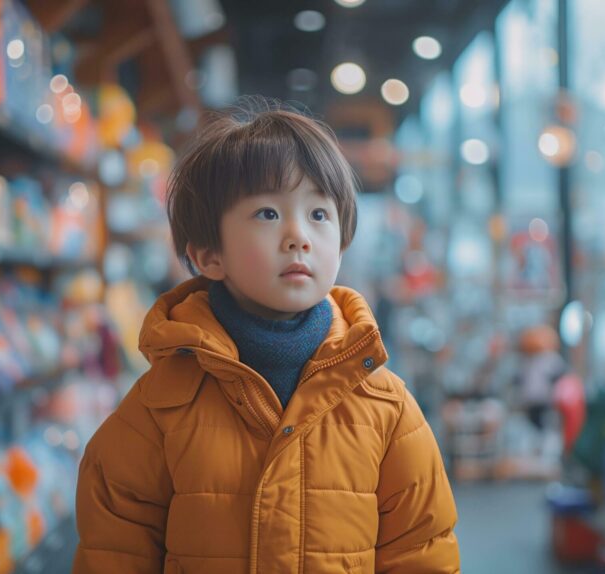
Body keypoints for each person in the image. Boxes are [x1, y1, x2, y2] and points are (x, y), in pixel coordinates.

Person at [72, 99, 460, 573]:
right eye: (267, 214)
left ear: (341, 242)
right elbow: (113, 551)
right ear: (210, 255)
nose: (299, 236)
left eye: (319, 214)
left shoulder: (386, 406)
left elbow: (423, 551)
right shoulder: (158, 409)